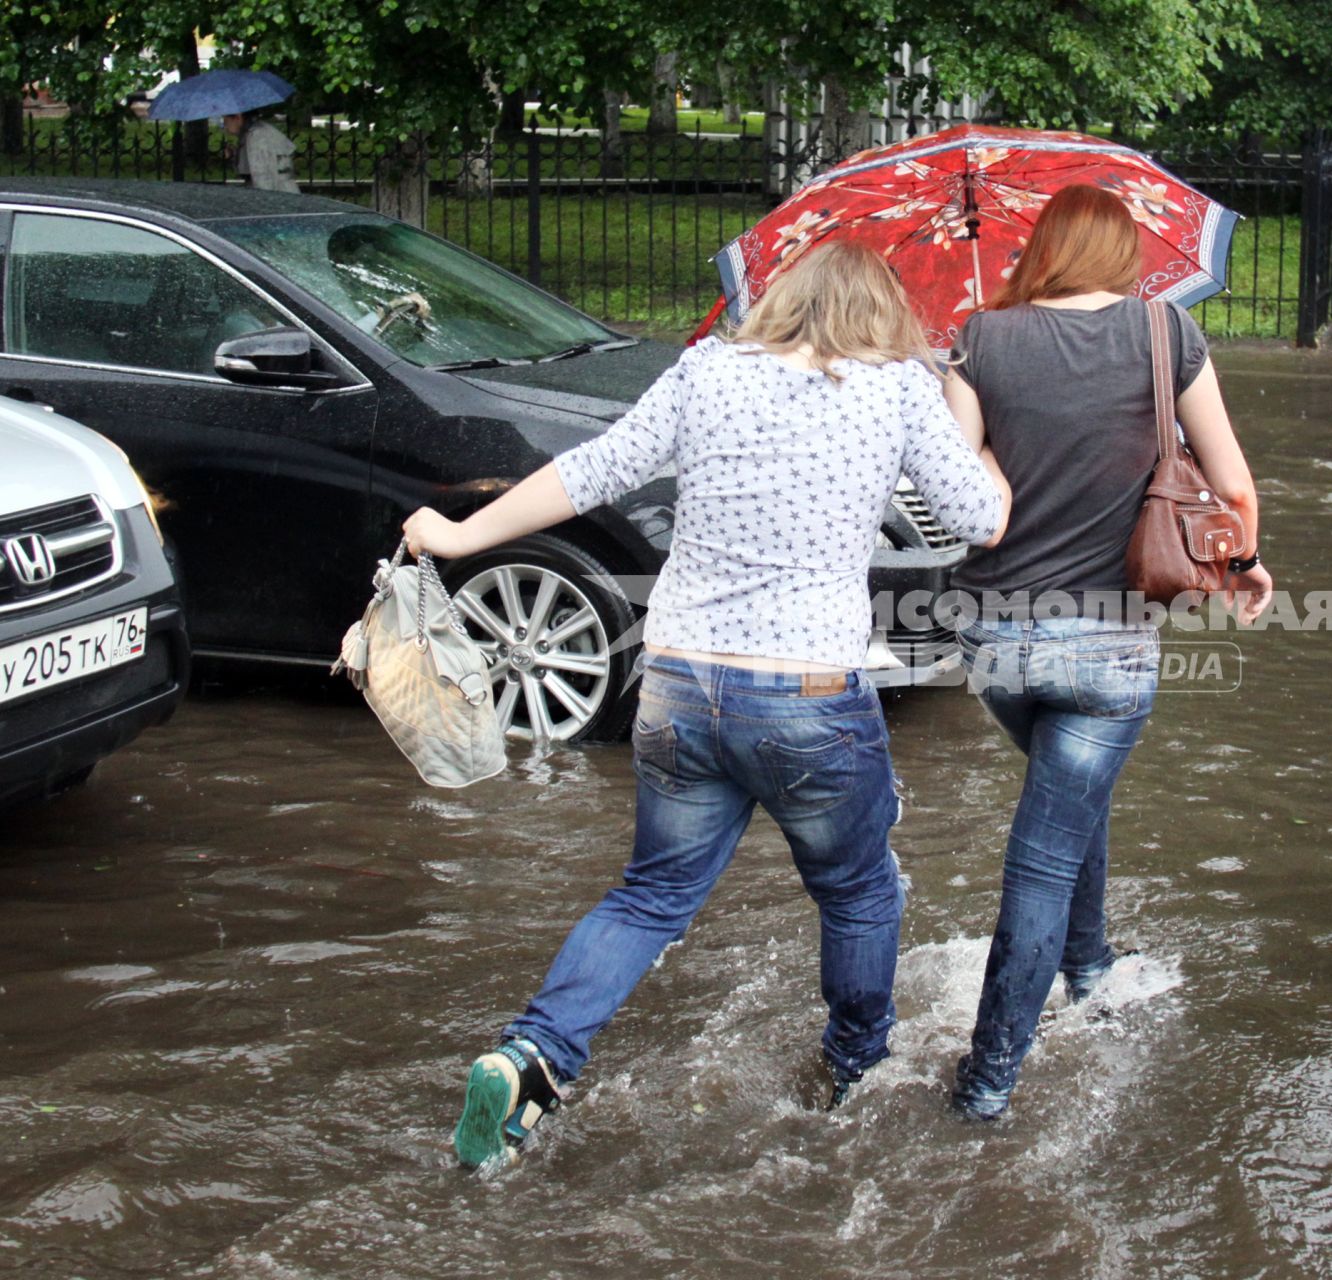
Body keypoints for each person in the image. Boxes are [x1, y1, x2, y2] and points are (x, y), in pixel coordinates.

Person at [403, 242, 1011, 1169]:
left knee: (650, 894)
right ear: (883, 315)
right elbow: (980, 519)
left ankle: (531, 1057)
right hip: (808, 692)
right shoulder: (896, 390)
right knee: (858, 891)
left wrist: (457, 534)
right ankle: (856, 1076)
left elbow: (592, 473)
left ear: (785, 300)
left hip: (680, 683)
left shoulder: (707, 371)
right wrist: (978, 435)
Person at [939, 184, 1274, 1121]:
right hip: (1110, 649)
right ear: (1127, 256)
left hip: (996, 638)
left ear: (1043, 250)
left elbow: (957, 497)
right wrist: (1244, 565)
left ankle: (1090, 966)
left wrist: (1001, 445)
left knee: (1066, 796)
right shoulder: (1166, 335)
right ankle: (989, 1084)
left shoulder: (980, 335)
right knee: (1044, 853)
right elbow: (1233, 487)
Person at [223, 109, 299, 193]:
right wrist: (233, 155)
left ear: (238, 117)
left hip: (278, 194)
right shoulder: (254, 132)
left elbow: (262, 177)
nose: (225, 127)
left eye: (226, 121)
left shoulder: (257, 136)